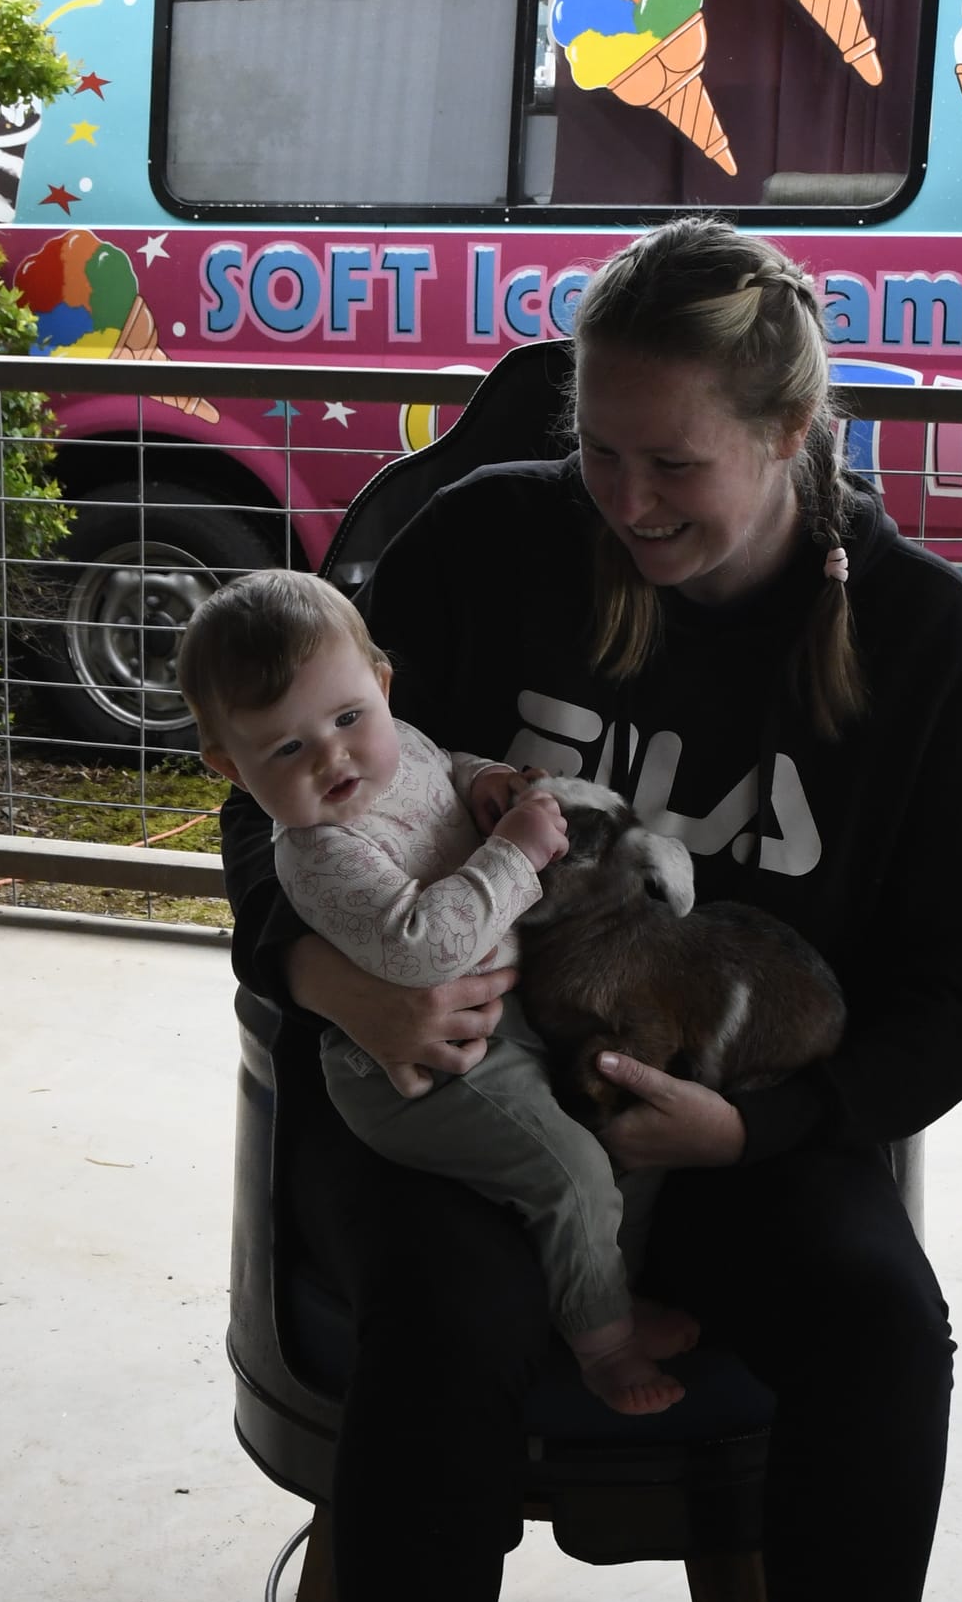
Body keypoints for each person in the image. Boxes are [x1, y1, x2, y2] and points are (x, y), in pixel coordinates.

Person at [218, 219, 962, 1602]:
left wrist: (760, 1134)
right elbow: (258, 798)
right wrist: (337, 976)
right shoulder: (483, 545)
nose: (625, 500)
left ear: (787, 437)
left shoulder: (921, 645)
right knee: (446, 1329)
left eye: (672, 464)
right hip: (471, 1098)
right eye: (600, 449)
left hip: (731, 1121)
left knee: (876, 1328)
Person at [178, 569, 702, 1414]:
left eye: (348, 719)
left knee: (618, 1123)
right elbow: (422, 948)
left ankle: (603, 1290)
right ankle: (604, 1348)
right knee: (570, 1175)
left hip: (508, 1017)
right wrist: (517, 853)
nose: (333, 757)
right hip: (430, 1073)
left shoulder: (398, 743)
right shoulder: (319, 853)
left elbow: (440, 766)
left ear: (381, 685)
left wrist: (485, 780)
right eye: (285, 749)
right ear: (229, 768)